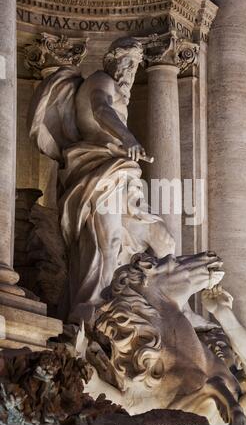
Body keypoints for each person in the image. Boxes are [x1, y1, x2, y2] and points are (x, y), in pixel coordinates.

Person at [28, 37, 175, 324]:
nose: (131, 70)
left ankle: (141, 304)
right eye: (127, 62)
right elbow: (101, 109)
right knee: (109, 241)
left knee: (160, 241)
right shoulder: (100, 81)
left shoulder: (118, 90)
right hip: (99, 170)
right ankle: (92, 308)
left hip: (118, 171)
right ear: (111, 61)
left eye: (135, 64)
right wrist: (128, 136)